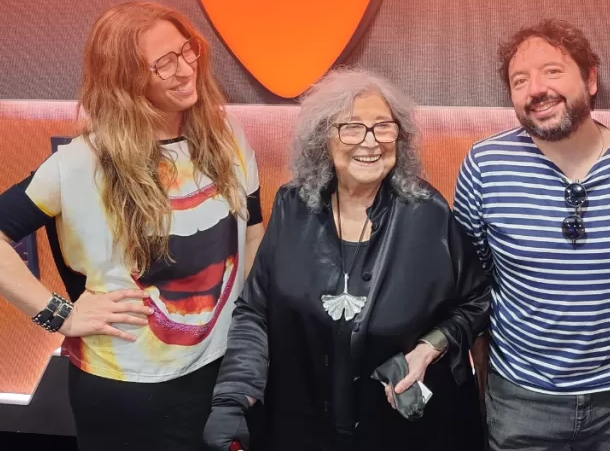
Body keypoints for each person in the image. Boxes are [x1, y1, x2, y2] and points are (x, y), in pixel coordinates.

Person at [0, 1, 265, 451]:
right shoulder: (83, 163)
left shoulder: (227, 135)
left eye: (187, 51)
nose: (184, 70)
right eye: (162, 64)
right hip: (126, 389)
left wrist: (244, 327)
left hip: (218, 372)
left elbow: (252, 231)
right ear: (124, 80)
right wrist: (61, 314)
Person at [202, 68, 489, 451]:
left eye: (383, 127)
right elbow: (255, 310)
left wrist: (426, 350)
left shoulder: (429, 213)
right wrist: (232, 397)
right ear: (324, 138)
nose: (370, 142)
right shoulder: (292, 206)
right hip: (302, 428)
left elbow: (476, 302)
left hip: (404, 434)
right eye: (351, 128)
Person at [453, 19, 610, 450]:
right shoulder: (486, 165)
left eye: (552, 71)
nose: (536, 88)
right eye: (520, 80)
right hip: (520, 396)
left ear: (590, 78)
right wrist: (485, 382)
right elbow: (471, 286)